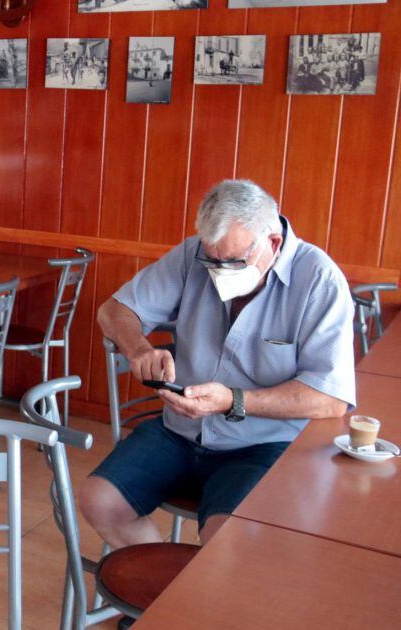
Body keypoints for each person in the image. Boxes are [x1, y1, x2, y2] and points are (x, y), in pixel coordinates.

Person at [80, 179, 355, 548]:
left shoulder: (319, 280)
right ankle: (170, 584)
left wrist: (233, 400)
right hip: (180, 432)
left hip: (262, 444)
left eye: (233, 262)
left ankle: (197, 584)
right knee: (99, 501)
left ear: (273, 242)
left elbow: (330, 398)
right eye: (212, 260)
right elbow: (114, 310)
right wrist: (139, 350)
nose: (219, 271)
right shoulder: (192, 254)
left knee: (226, 541)